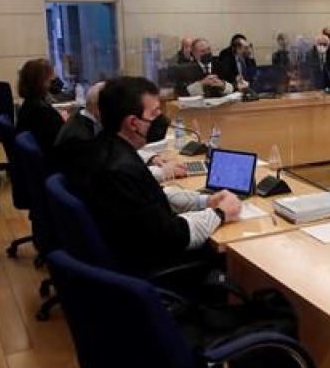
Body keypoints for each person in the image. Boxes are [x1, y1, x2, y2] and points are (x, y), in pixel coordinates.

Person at [66, 77, 241, 275]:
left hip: (134, 253)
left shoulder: (107, 148)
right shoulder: (121, 169)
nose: (161, 119)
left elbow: (154, 198)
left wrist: (204, 201)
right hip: (157, 267)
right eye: (155, 113)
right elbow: (173, 236)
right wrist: (219, 213)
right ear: (133, 123)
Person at [54, 81, 187, 182]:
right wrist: (163, 172)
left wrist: (151, 158)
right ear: (100, 109)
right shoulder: (81, 139)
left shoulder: (85, 120)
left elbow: (120, 151)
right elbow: (117, 174)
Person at [15, 58, 66, 163]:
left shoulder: (28, 105)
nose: (54, 80)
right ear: (42, 82)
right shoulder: (43, 112)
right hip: (53, 164)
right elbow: (62, 142)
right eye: (51, 78)